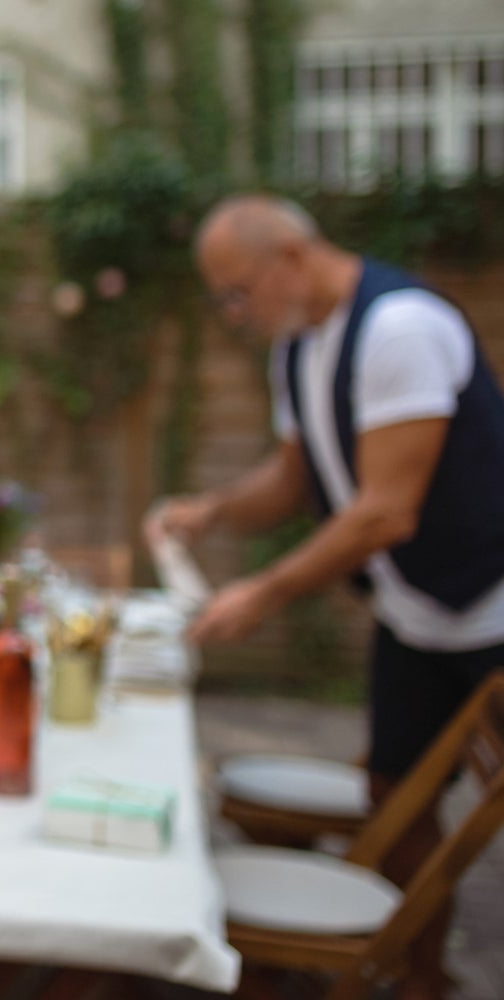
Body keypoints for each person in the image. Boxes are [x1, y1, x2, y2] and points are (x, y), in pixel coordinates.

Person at [153, 193, 504, 1000]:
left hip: (486, 604)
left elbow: (386, 510)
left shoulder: (400, 329)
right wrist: (212, 511)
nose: (234, 313)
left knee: (422, 802)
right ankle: (424, 973)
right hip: (415, 614)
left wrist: (263, 594)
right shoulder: (298, 348)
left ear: (290, 258)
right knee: (395, 796)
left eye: (238, 292)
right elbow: (292, 478)